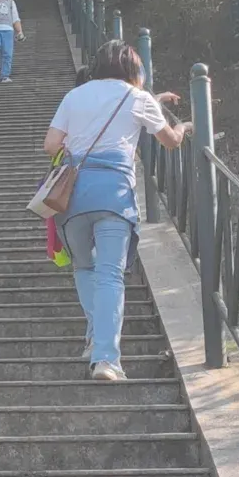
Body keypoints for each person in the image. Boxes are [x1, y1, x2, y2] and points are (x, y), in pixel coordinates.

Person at [43, 40, 190, 381]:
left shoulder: (74, 96)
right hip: (114, 196)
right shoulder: (137, 98)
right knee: (110, 274)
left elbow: (50, 145)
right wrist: (183, 127)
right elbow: (170, 141)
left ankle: (95, 337)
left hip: (73, 198)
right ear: (133, 69)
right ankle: (106, 360)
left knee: (84, 266)